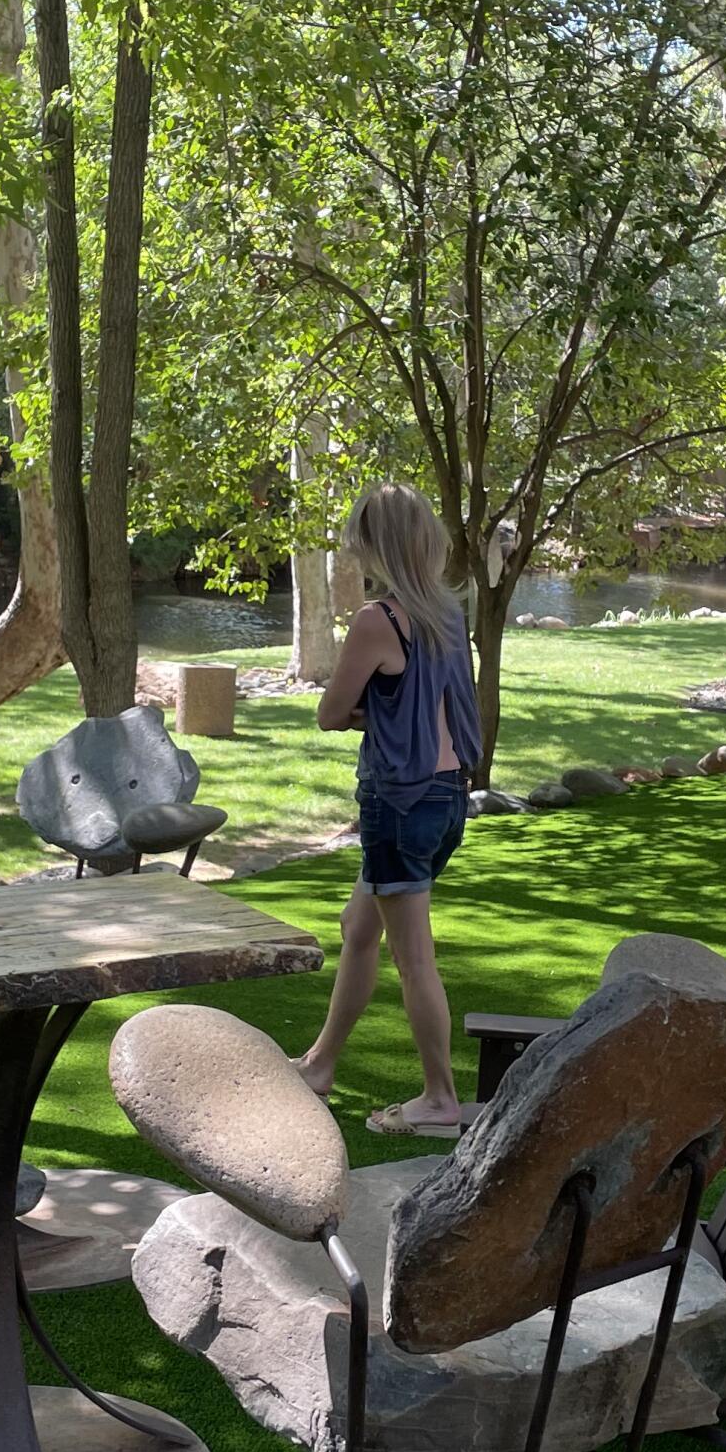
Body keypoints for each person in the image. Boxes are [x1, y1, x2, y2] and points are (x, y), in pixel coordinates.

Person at [292, 483, 484, 1135]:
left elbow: (328, 713)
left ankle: (440, 1098)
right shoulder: (446, 612)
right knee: (357, 928)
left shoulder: (379, 619)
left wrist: (373, 711)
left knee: (414, 958)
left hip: (398, 803)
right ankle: (320, 1063)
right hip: (448, 797)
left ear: (375, 546)